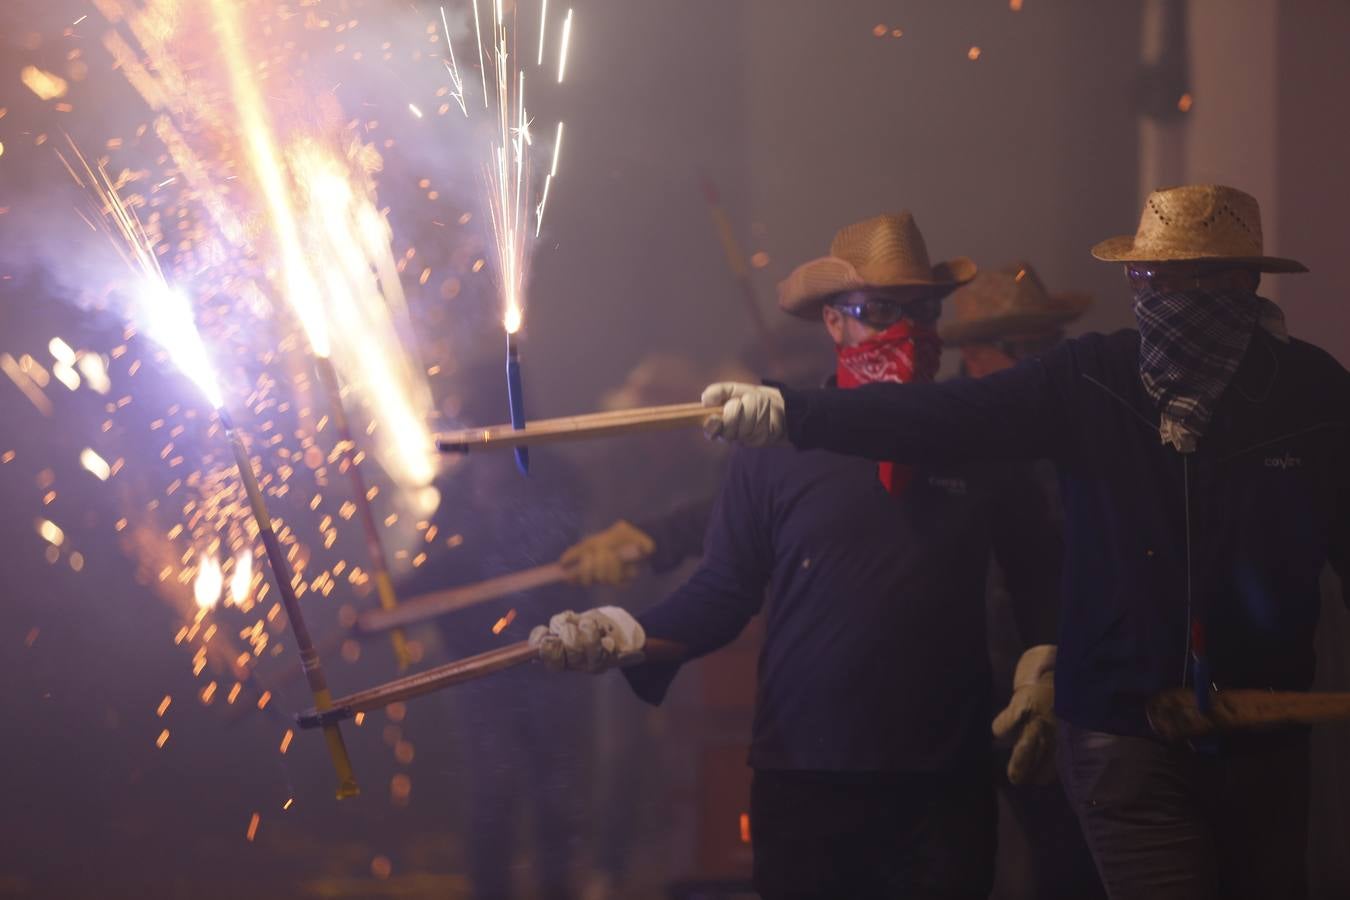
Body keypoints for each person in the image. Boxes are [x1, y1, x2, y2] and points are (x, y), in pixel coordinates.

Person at [700, 185, 1350, 900]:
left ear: (1241, 282)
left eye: (1181, 280)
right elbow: (949, 418)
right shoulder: (1095, 377)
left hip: (1267, 727)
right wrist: (797, 414)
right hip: (1122, 727)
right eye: (1145, 279)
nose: (1160, 298)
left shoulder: (1311, 395)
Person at [533, 213, 1064, 899]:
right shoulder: (777, 447)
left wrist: (1045, 664)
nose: (906, 329)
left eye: (921, 309)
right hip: (806, 773)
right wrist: (628, 635)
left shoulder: (976, 438)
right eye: (880, 311)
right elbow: (725, 589)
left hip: (941, 779)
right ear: (834, 323)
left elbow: (1039, 574)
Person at [400, 365, 594, 900]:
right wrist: (384, 607)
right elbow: (438, 567)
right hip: (478, 671)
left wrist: (489, 533)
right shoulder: (460, 490)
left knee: (555, 796)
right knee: (492, 796)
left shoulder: (556, 480)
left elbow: (541, 553)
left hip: (552, 664)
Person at [944, 264, 1104, 900]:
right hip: (964, 686)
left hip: (1065, 679)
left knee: (1066, 853)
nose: (1048, 361)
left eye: (1050, 344)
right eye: (1030, 348)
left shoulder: (1079, 427)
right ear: (980, 356)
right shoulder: (943, 433)